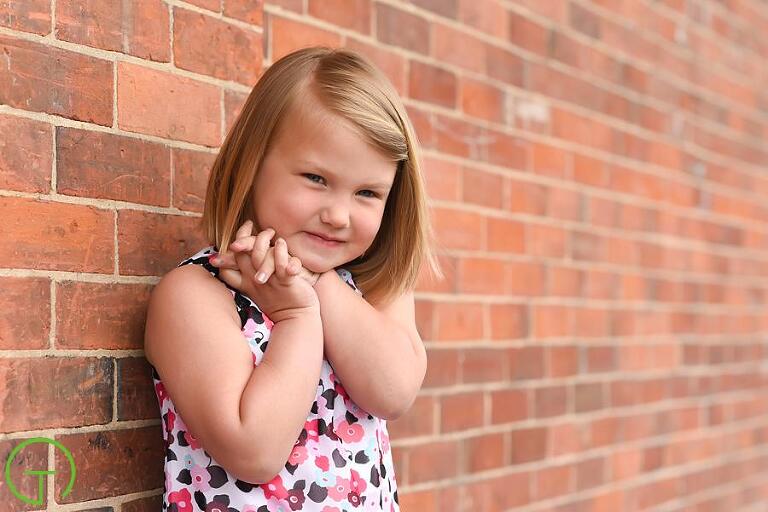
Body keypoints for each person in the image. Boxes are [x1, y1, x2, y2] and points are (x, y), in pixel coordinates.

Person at [143, 46, 441, 511]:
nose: (338, 214)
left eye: (367, 192)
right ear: (252, 163)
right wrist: (298, 318)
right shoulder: (197, 294)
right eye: (316, 178)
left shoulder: (375, 288)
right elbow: (254, 451)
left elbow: (394, 391)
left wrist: (316, 283)